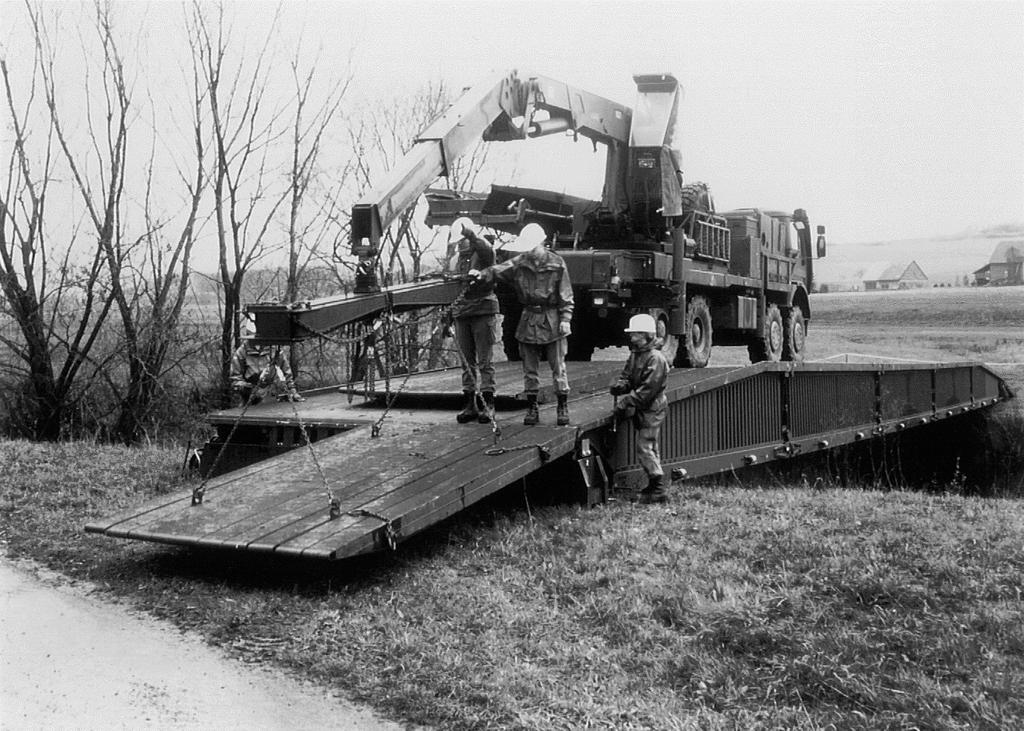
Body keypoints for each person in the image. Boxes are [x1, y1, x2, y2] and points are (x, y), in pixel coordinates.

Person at [473, 222, 574, 426]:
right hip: (528, 319)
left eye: (532, 248)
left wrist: (565, 320)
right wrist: (481, 275)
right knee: (529, 368)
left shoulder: (557, 263)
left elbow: (566, 295)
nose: (530, 252)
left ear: (542, 243)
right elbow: (499, 270)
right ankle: (532, 407)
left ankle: (562, 405)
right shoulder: (520, 262)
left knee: (558, 367)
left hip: (552, 318)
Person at [610, 313, 670, 503]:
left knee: (645, 448)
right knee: (651, 447)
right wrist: (621, 385)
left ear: (646, 335)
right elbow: (628, 376)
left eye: (634, 333)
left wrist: (626, 401)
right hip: (645, 408)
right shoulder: (636, 354)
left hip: (652, 408)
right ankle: (655, 487)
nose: (631, 336)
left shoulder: (656, 359)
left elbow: (647, 390)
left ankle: (658, 489)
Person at [448, 217, 499, 424]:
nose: (460, 244)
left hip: (482, 310)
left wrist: (470, 233)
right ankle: (470, 403)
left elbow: (488, 250)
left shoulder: (483, 254)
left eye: (462, 240)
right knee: (466, 362)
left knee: (485, 361)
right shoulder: (455, 260)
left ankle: (489, 404)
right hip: (462, 313)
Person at [229, 321, 304, 406]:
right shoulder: (241, 353)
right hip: (250, 400)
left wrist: (292, 391)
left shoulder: (274, 349)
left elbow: (286, 372)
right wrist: (249, 388)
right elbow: (235, 380)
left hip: (272, 396)